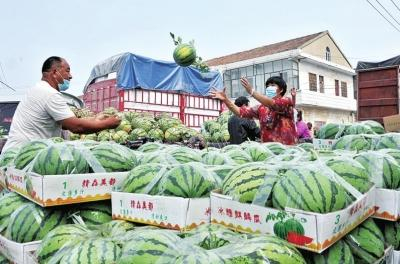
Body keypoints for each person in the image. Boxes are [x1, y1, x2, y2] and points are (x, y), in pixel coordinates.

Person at [2, 56, 121, 152]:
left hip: (17, 153)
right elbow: (76, 126)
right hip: (21, 156)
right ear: (55, 73)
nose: (70, 76)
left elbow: (64, 123)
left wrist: (96, 118)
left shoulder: (38, 89)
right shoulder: (49, 94)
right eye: (67, 71)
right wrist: (107, 124)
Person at [211, 76, 297, 145]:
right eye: (267, 86)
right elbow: (240, 112)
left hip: (287, 150)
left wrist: (252, 92)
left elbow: (272, 103)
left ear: (281, 89)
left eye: (273, 85)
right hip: (268, 152)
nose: (269, 88)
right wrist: (226, 99)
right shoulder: (261, 108)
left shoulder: (286, 101)